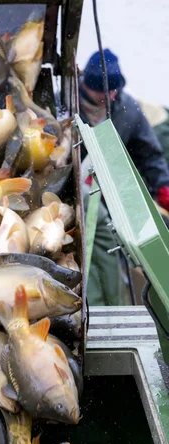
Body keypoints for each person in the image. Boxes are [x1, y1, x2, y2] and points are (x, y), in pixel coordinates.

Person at [79, 50, 169, 305]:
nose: (111, 96)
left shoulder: (127, 110)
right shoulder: (67, 104)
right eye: (104, 91)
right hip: (79, 197)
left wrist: (163, 187)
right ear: (88, 85)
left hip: (115, 196)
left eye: (115, 90)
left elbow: (149, 154)